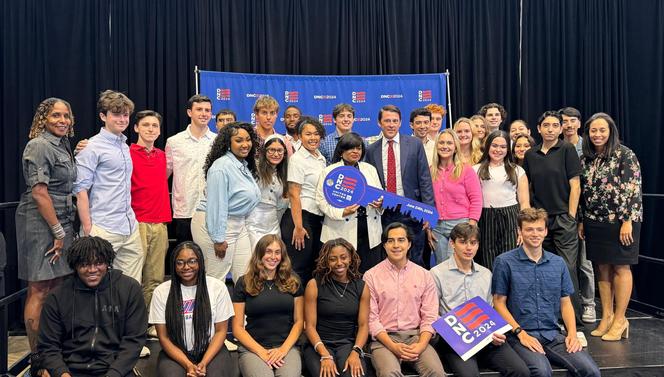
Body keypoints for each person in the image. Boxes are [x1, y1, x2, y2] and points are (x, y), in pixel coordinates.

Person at [492, 208, 600, 377]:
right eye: (529, 229)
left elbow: (566, 303)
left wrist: (572, 334)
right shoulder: (504, 262)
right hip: (520, 335)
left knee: (591, 371)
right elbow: (498, 303)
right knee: (542, 372)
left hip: (553, 335)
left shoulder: (558, 263)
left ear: (546, 231)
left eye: (539, 229)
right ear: (519, 231)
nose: (535, 234)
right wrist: (521, 333)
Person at [15, 98, 76, 361]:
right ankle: (39, 357)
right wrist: (57, 231)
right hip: (40, 223)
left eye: (66, 116)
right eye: (55, 116)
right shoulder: (39, 145)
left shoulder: (63, 145)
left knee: (58, 286)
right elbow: (40, 193)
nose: (62, 120)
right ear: (43, 119)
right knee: (39, 288)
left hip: (62, 220)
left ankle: (54, 350)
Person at [36, 236, 147, 377]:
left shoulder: (129, 289)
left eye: (99, 263)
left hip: (115, 370)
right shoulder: (58, 296)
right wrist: (61, 373)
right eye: (85, 264)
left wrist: (114, 373)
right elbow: (49, 345)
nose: (92, 270)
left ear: (108, 262)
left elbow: (134, 341)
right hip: (69, 370)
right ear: (75, 266)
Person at [430, 223, 529, 377]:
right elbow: (432, 314)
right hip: (456, 342)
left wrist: (496, 333)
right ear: (452, 243)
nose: (468, 248)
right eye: (463, 242)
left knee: (521, 371)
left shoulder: (486, 274)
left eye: (473, 242)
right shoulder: (436, 274)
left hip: (487, 338)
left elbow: (492, 310)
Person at [579, 113, 643, 341]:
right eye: (593, 131)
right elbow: (583, 193)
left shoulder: (625, 155)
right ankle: (606, 316)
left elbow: (632, 189)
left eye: (602, 130)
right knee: (601, 267)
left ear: (610, 131)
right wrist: (582, 220)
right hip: (595, 221)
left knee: (621, 267)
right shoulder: (586, 158)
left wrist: (627, 220)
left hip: (621, 222)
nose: (597, 135)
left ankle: (620, 319)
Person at [523, 111, 586, 335]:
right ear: (538, 129)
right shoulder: (530, 155)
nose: (550, 129)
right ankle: (552, 319)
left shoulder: (567, 150)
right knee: (545, 269)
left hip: (563, 219)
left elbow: (575, 185)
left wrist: (570, 216)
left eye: (555, 125)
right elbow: (527, 186)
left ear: (560, 129)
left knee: (568, 268)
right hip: (540, 220)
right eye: (546, 125)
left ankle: (574, 325)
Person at [74, 90, 144, 283]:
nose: (122, 119)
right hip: (102, 227)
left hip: (129, 226)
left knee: (131, 287)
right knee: (95, 285)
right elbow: (80, 190)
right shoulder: (91, 147)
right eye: (116, 114)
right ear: (103, 116)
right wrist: (89, 230)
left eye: (125, 114)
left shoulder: (124, 146)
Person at [364, 223, 445, 377]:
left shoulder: (424, 275)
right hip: (384, 339)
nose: (396, 245)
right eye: (390, 241)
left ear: (409, 244)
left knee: (437, 373)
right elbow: (371, 319)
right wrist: (393, 346)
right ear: (384, 245)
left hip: (416, 337)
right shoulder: (371, 276)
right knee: (389, 373)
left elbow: (430, 316)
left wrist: (421, 345)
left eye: (401, 240)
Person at [149, 242, 235, 376]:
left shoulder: (217, 287)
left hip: (210, 350)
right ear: (174, 265)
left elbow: (221, 331)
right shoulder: (161, 292)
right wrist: (188, 365)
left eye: (192, 261)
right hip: (176, 352)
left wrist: (204, 363)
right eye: (180, 263)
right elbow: (164, 337)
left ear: (200, 262)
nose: (186, 267)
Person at [364, 105, 435, 268]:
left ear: (401, 123)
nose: (391, 124)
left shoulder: (414, 144)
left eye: (395, 121)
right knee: (389, 259)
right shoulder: (371, 149)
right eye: (387, 120)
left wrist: (428, 211)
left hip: (412, 210)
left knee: (415, 258)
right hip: (384, 212)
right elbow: (368, 180)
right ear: (379, 123)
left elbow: (425, 179)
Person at [191, 122, 260, 282]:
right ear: (228, 144)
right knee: (216, 279)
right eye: (239, 140)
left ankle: (240, 308)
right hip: (215, 226)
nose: (245, 144)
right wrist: (218, 239)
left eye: (248, 139)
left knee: (246, 277)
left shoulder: (240, 164)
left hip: (237, 224)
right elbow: (217, 206)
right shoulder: (221, 167)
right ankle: (210, 308)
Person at [232, 235, 304, 377]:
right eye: (268, 251)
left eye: (277, 252)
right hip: (253, 348)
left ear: (282, 256)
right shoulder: (244, 282)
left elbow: (299, 322)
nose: (273, 257)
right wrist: (262, 352)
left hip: (286, 347)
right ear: (260, 254)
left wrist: (283, 350)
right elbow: (237, 328)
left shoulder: (293, 280)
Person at [316, 132, 384, 273]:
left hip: (370, 233)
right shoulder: (330, 171)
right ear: (341, 151)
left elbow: (380, 195)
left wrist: (380, 204)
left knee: (369, 275)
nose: (355, 151)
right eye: (351, 148)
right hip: (340, 230)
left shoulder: (369, 169)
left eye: (358, 148)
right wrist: (342, 212)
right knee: (343, 275)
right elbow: (321, 201)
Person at [303, 239, 370, 377]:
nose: (339, 263)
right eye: (333, 259)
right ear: (326, 261)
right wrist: (325, 355)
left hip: (348, 344)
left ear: (350, 258)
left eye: (343, 257)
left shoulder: (361, 286)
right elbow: (309, 326)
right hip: (319, 344)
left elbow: (363, 325)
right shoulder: (314, 285)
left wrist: (356, 352)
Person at [129, 110, 172, 315]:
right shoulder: (126, 153)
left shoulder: (162, 156)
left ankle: (150, 322)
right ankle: (133, 323)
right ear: (136, 128)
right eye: (146, 125)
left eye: (155, 126)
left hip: (160, 222)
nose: (150, 129)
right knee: (133, 277)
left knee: (155, 278)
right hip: (136, 222)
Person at [473, 130, 530, 270]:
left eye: (503, 147)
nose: (498, 150)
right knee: (486, 257)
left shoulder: (518, 170)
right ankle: (490, 291)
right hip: (485, 217)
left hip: (511, 216)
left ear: (508, 150)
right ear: (488, 147)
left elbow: (524, 202)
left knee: (510, 257)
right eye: (494, 145)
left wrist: (523, 228)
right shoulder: (475, 170)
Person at [560, 106, 596, 324]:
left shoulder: (588, 148)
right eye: (564, 121)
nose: (568, 124)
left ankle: (589, 303)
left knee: (585, 263)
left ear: (579, 124)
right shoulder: (557, 147)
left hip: (586, 212)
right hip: (565, 211)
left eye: (572, 120)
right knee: (568, 263)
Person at [281, 117, 327, 283]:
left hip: (316, 219)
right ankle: (295, 308)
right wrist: (299, 227)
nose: (313, 138)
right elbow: (294, 194)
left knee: (314, 267)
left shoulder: (320, 158)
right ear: (299, 136)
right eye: (308, 134)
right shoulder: (297, 159)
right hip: (300, 219)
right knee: (298, 269)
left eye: (316, 134)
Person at [166, 94, 216, 247]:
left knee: (210, 260)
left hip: (211, 210)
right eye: (199, 109)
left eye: (207, 110)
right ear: (189, 112)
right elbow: (162, 176)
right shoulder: (174, 142)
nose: (204, 113)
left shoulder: (217, 141)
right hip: (185, 211)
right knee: (184, 259)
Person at [429, 129, 482, 264]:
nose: (445, 146)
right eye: (441, 143)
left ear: (455, 147)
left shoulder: (466, 170)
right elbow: (428, 200)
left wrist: (471, 226)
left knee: (458, 264)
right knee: (442, 265)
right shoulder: (430, 170)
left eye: (449, 143)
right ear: (436, 146)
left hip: (460, 224)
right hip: (437, 227)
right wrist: (428, 227)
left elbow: (476, 199)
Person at [247, 134, 289, 251]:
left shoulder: (284, 174)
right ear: (264, 151)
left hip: (273, 224)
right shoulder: (253, 169)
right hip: (253, 223)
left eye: (280, 150)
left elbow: (281, 204)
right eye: (271, 150)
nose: (276, 154)